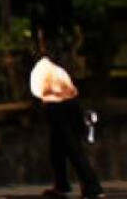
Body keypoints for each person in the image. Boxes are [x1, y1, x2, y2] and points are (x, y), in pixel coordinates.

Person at [32, 53, 103, 199]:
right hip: (67, 104)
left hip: (57, 106)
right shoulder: (55, 69)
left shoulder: (47, 69)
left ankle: (93, 187)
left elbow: (42, 90)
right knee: (57, 148)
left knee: (72, 147)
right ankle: (62, 184)